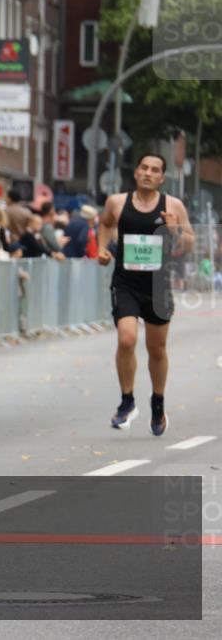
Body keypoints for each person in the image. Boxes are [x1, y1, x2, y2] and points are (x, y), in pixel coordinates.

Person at [97, 154, 194, 436]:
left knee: (157, 348)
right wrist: (102, 249)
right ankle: (127, 402)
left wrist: (175, 230)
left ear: (162, 178)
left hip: (158, 285)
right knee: (126, 339)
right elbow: (104, 224)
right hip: (125, 281)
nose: (148, 173)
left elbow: (189, 243)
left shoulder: (172, 205)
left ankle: (157, 402)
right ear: (136, 172)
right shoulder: (117, 202)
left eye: (155, 170)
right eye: (144, 168)